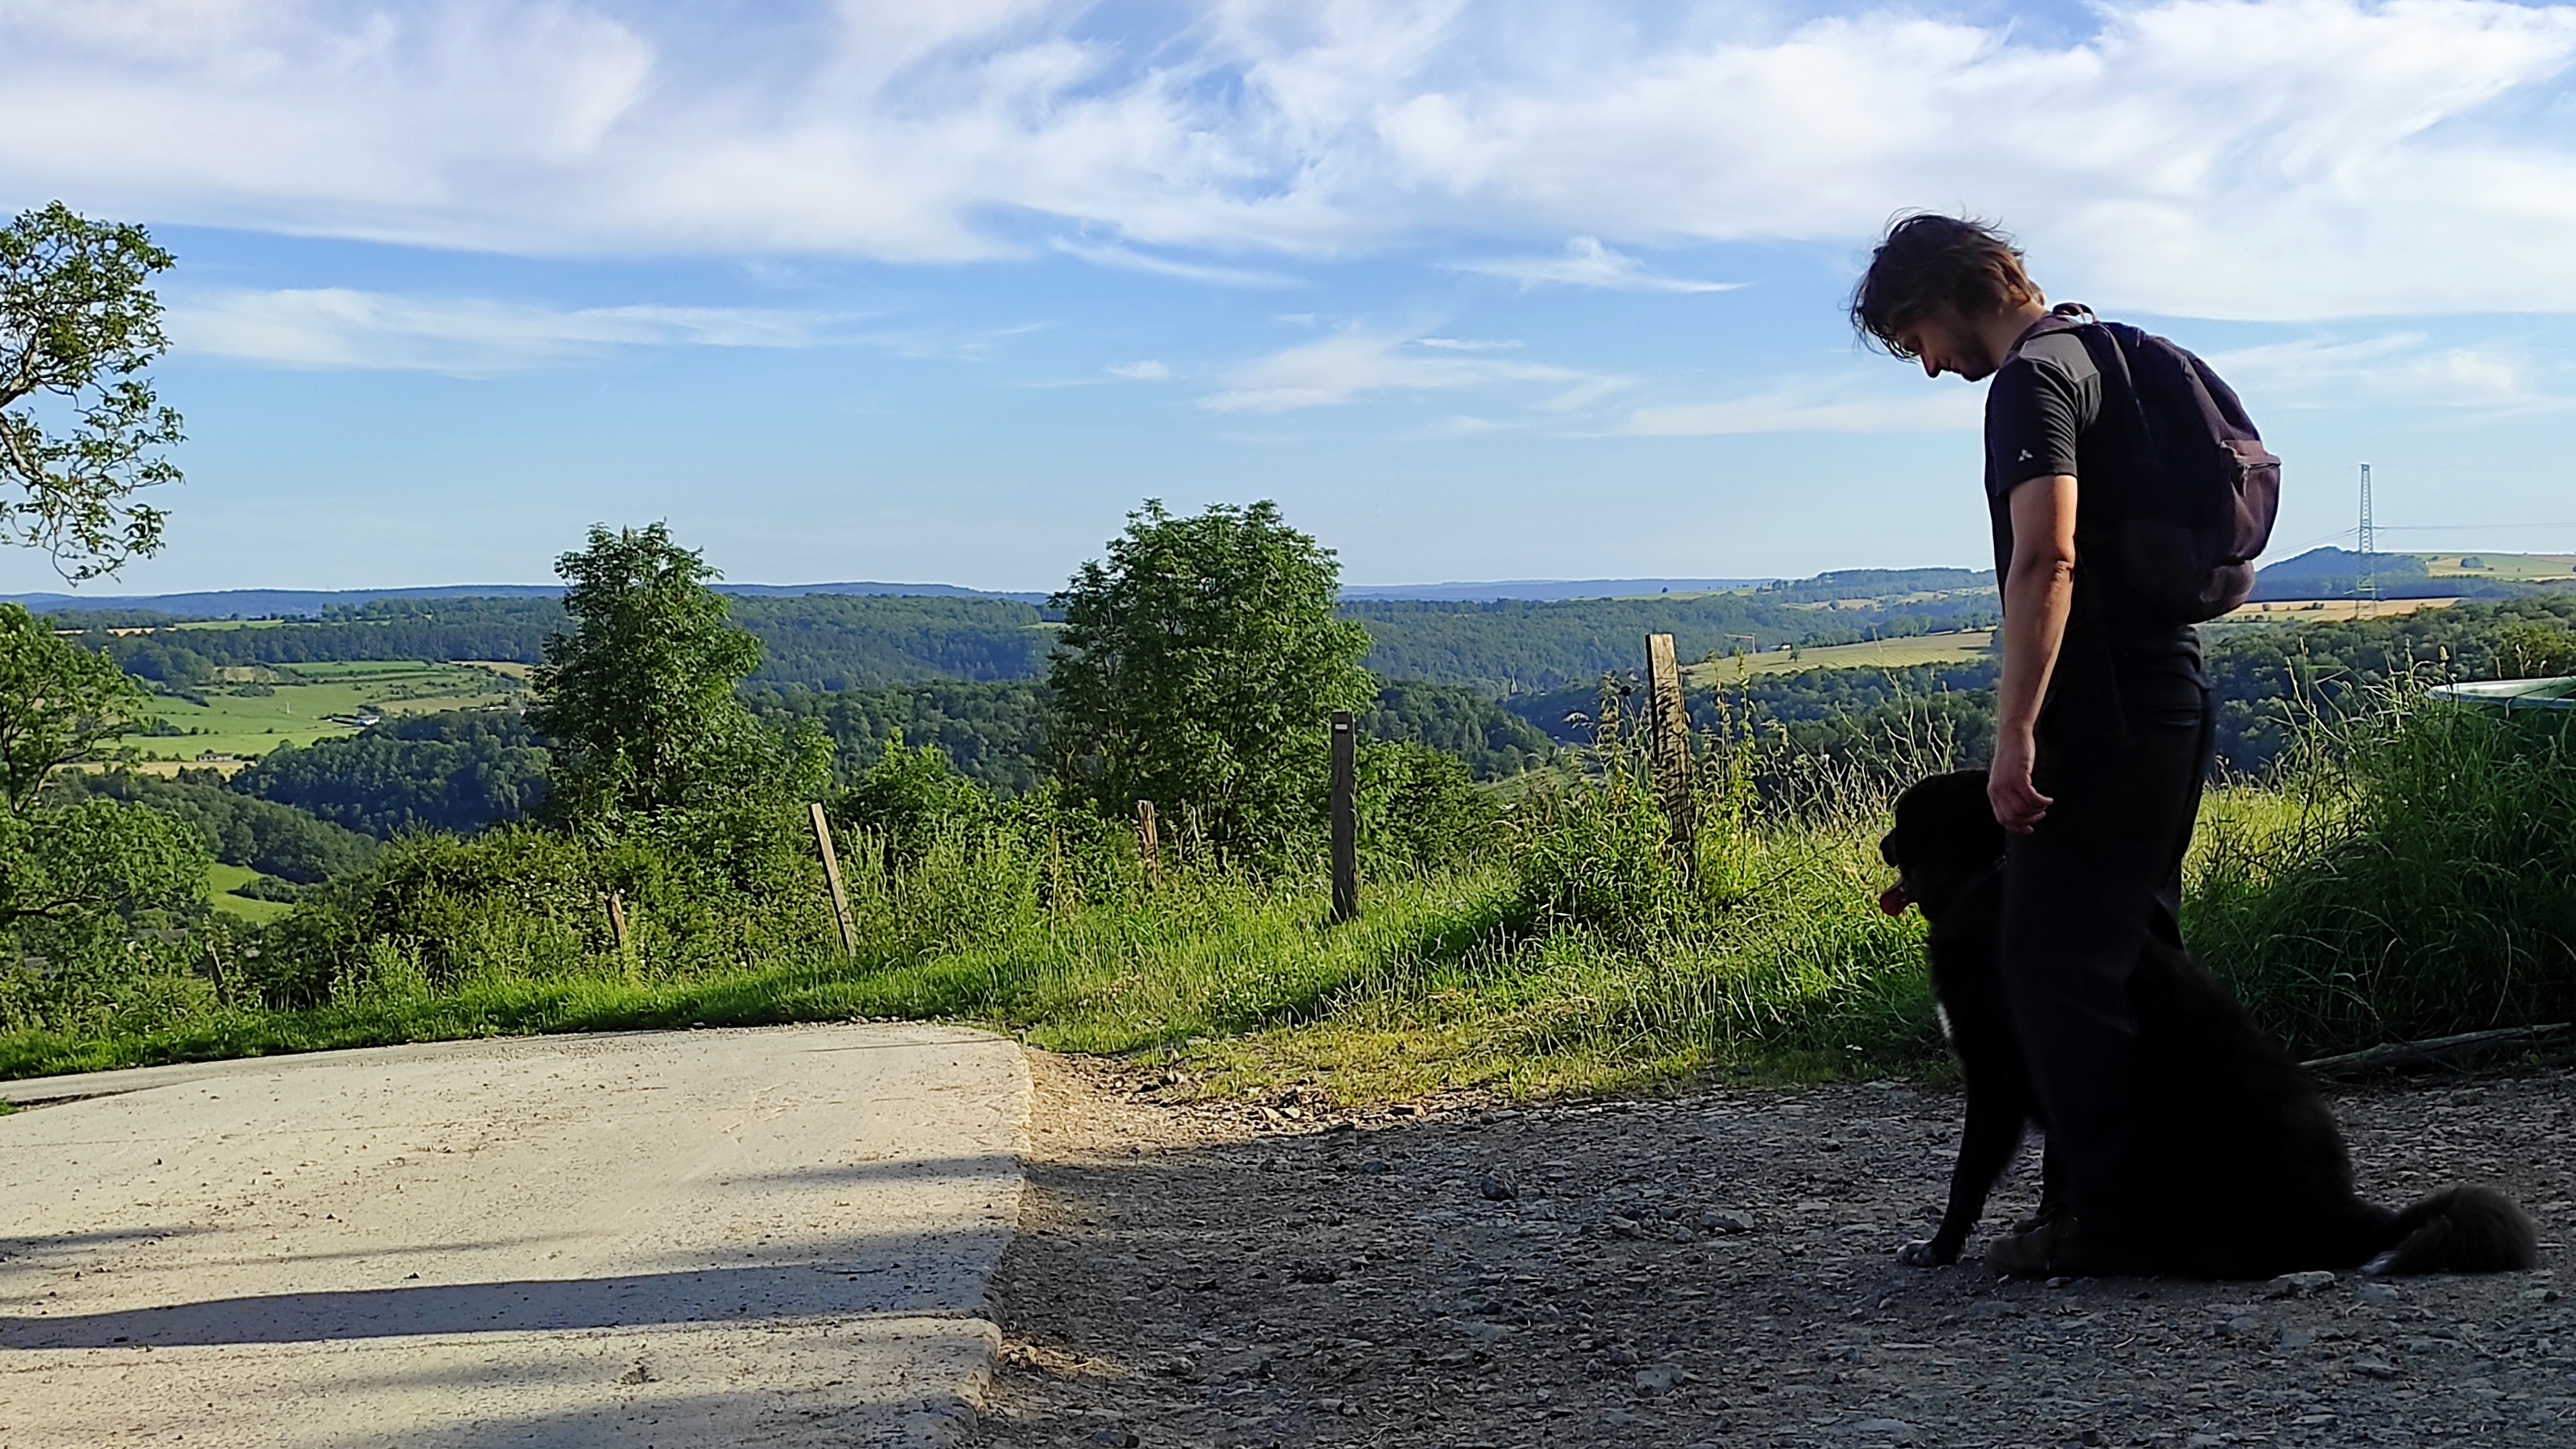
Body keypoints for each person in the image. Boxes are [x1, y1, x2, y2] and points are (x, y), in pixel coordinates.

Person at [1850, 214, 2216, 1274]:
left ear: (1949, 291)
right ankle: (2145, 1201)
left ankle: (2111, 1222)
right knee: (2133, 958)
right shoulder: (2106, 350)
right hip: (2167, 691)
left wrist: (2013, 733)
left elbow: (2045, 559)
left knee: (2050, 962)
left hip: (2098, 706)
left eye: (1913, 332)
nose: (1925, 364)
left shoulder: (2029, 381)